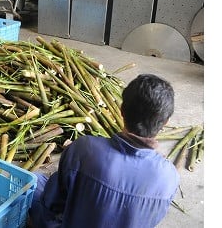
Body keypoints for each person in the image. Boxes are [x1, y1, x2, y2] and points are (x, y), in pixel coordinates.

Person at [29, 74, 179, 228]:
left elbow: (52, 206)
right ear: (166, 122)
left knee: (34, 181)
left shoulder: (84, 149)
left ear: (121, 110)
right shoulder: (169, 177)